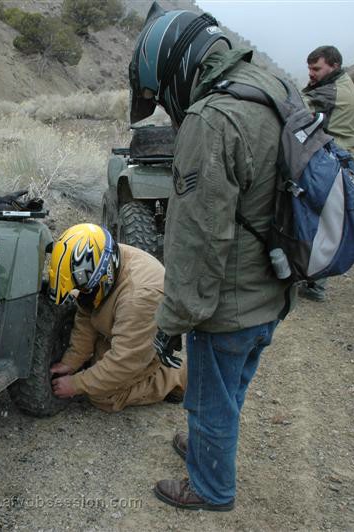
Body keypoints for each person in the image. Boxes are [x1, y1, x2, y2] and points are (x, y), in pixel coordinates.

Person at [128, 2, 292, 511]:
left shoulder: (210, 120)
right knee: (231, 388)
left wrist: (171, 321)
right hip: (273, 283)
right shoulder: (271, 85)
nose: (165, 106)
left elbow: (198, 240)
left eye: (160, 93)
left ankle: (211, 487)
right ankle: (207, 447)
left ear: (178, 67)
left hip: (231, 300)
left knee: (212, 398)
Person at [46, 223, 185, 412]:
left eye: (83, 290)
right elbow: (86, 315)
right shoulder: (101, 259)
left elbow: (125, 362)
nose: (80, 294)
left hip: (142, 340)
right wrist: (71, 361)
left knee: (103, 395)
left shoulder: (139, 298)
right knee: (97, 372)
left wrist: (76, 384)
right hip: (123, 326)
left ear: (104, 276)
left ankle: (177, 376)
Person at [300, 45, 354, 302]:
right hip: (346, 160)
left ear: (333, 66)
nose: (312, 73)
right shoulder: (342, 80)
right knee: (329, 217)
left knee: (321, 216)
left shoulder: (332, 91)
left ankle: (315, 281)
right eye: (309, 68)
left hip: (336, 163)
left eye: (316, 68)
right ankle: (313, 277)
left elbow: (297, 107)